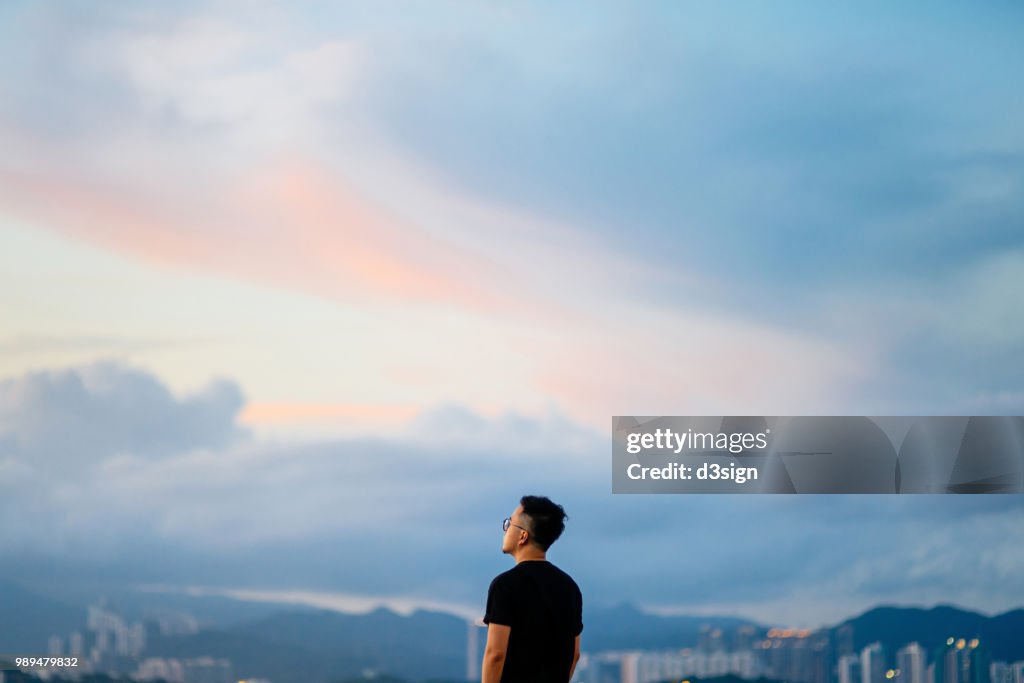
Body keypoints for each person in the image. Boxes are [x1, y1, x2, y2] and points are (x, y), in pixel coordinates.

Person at [482, 495, 583, 683]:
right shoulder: (570, 587)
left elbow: (495, 654)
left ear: (523, 535)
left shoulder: (504, 585)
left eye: (509, 523)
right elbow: (575, 655)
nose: (505, 529)